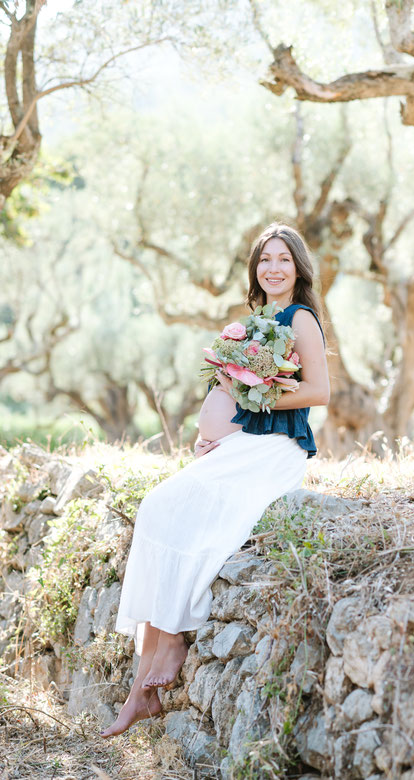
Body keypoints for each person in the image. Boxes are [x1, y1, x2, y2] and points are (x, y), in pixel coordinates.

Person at [100, 222, 330, 737]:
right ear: (254, 268)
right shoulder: (257, 320)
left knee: (171, 507)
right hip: (243, 444)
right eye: (265, 259)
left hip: (275, 449)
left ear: (298, 268)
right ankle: (142, 690)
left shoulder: (300, 318)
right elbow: (230, 388)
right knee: (158, 508)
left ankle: (170, 645)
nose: (273, 267)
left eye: (284, 259)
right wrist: (217, 434)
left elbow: (318, 392)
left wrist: (251, 397)